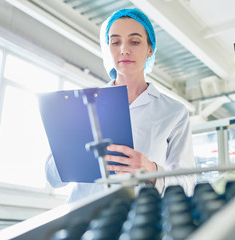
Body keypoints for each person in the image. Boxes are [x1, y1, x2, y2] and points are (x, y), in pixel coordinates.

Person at [45, 8, 196, 203]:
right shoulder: (84, 104)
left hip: (139, 220)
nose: (124, 49)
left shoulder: (173, 112)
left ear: (150, 49)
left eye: (134, 41)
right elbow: (52, 179)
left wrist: (151, 170)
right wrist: (72, 155)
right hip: (84, 220)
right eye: (115, 42)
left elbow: (188, 184)